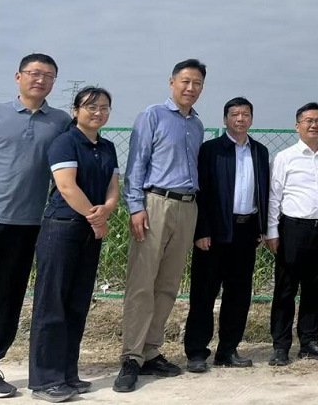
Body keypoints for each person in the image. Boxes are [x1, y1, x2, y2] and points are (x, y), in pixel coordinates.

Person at [114, 59, 207, 393]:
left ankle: (151, 350)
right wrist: (136, 207)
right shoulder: (152, 115)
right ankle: (131, 356)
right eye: (185, 81)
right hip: (155, 204)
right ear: (172, 82)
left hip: (187, 207)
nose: (191, 88)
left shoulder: (198, 125)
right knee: (142, 282)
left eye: (197, 83)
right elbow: (136, 163)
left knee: (168, 284)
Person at [0, 53, 71, 398]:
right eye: (34, 73)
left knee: (5, 298)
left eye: (48, 75)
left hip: (27, 224)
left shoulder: (61, 122)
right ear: (18, 77)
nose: (40, 79)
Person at [28, 86, 120, 403]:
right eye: (91, 107)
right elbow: (67, 187)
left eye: (104, 107)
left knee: (77, 303)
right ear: (76, 110)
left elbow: (113, 186)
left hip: (90, 230)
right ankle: (45, 380)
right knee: (51, 303)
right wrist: (97, 219)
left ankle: (67, 372)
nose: (98, 112)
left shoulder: (107, 147)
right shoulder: (65, 142)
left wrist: (107, 209)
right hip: (63, 227)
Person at [185, 97, 271, 373]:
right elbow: (201, 192)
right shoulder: (211, 150)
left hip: (246, 231)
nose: (240, 119)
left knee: (239, 294)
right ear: (225, 120)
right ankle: (196, 352)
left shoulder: (260, 151)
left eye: (245, 114)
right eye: (234, 114)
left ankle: (228, 350)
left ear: (251, 119)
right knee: (204, 293)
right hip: (214, 231)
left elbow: (264, 190)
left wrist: (261, 227)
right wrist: (201, 230)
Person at [266, 103, 318, 365]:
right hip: (292, 229)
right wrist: (272, 231)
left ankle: (309, 342)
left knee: (315, 289)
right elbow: (274, 197)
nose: (314, 125)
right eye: (308, 120)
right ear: (297, 126)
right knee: (285, 289)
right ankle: (280, 346)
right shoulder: (285, 157)